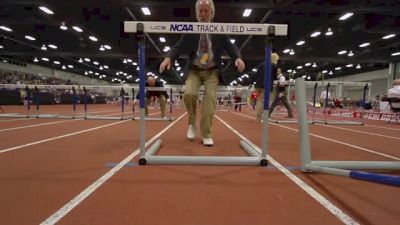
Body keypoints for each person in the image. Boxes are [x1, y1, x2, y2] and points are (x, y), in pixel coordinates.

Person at [159, 0, 245, 146]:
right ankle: (192, 123)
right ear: (197, 13)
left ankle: (206, 134)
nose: (203, 14)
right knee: (189, 94)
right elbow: (177, 47)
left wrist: (238, 58)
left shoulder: (219, 31)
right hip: (194, 70)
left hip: (212, 71)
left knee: (210, 99)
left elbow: (232, 47)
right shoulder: (190, 29)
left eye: (206, 11)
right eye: (201, 11)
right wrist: (168, 58)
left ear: (212, 13)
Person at [255, 52, 279, 121]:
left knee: (259, 100)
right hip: (267, 85)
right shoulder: (274, 66)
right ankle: (261, 116)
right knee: (265, 101)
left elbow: (257, 74)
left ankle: (258, 116)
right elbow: (274, 77)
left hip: (258, 84)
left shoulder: (261, 64)